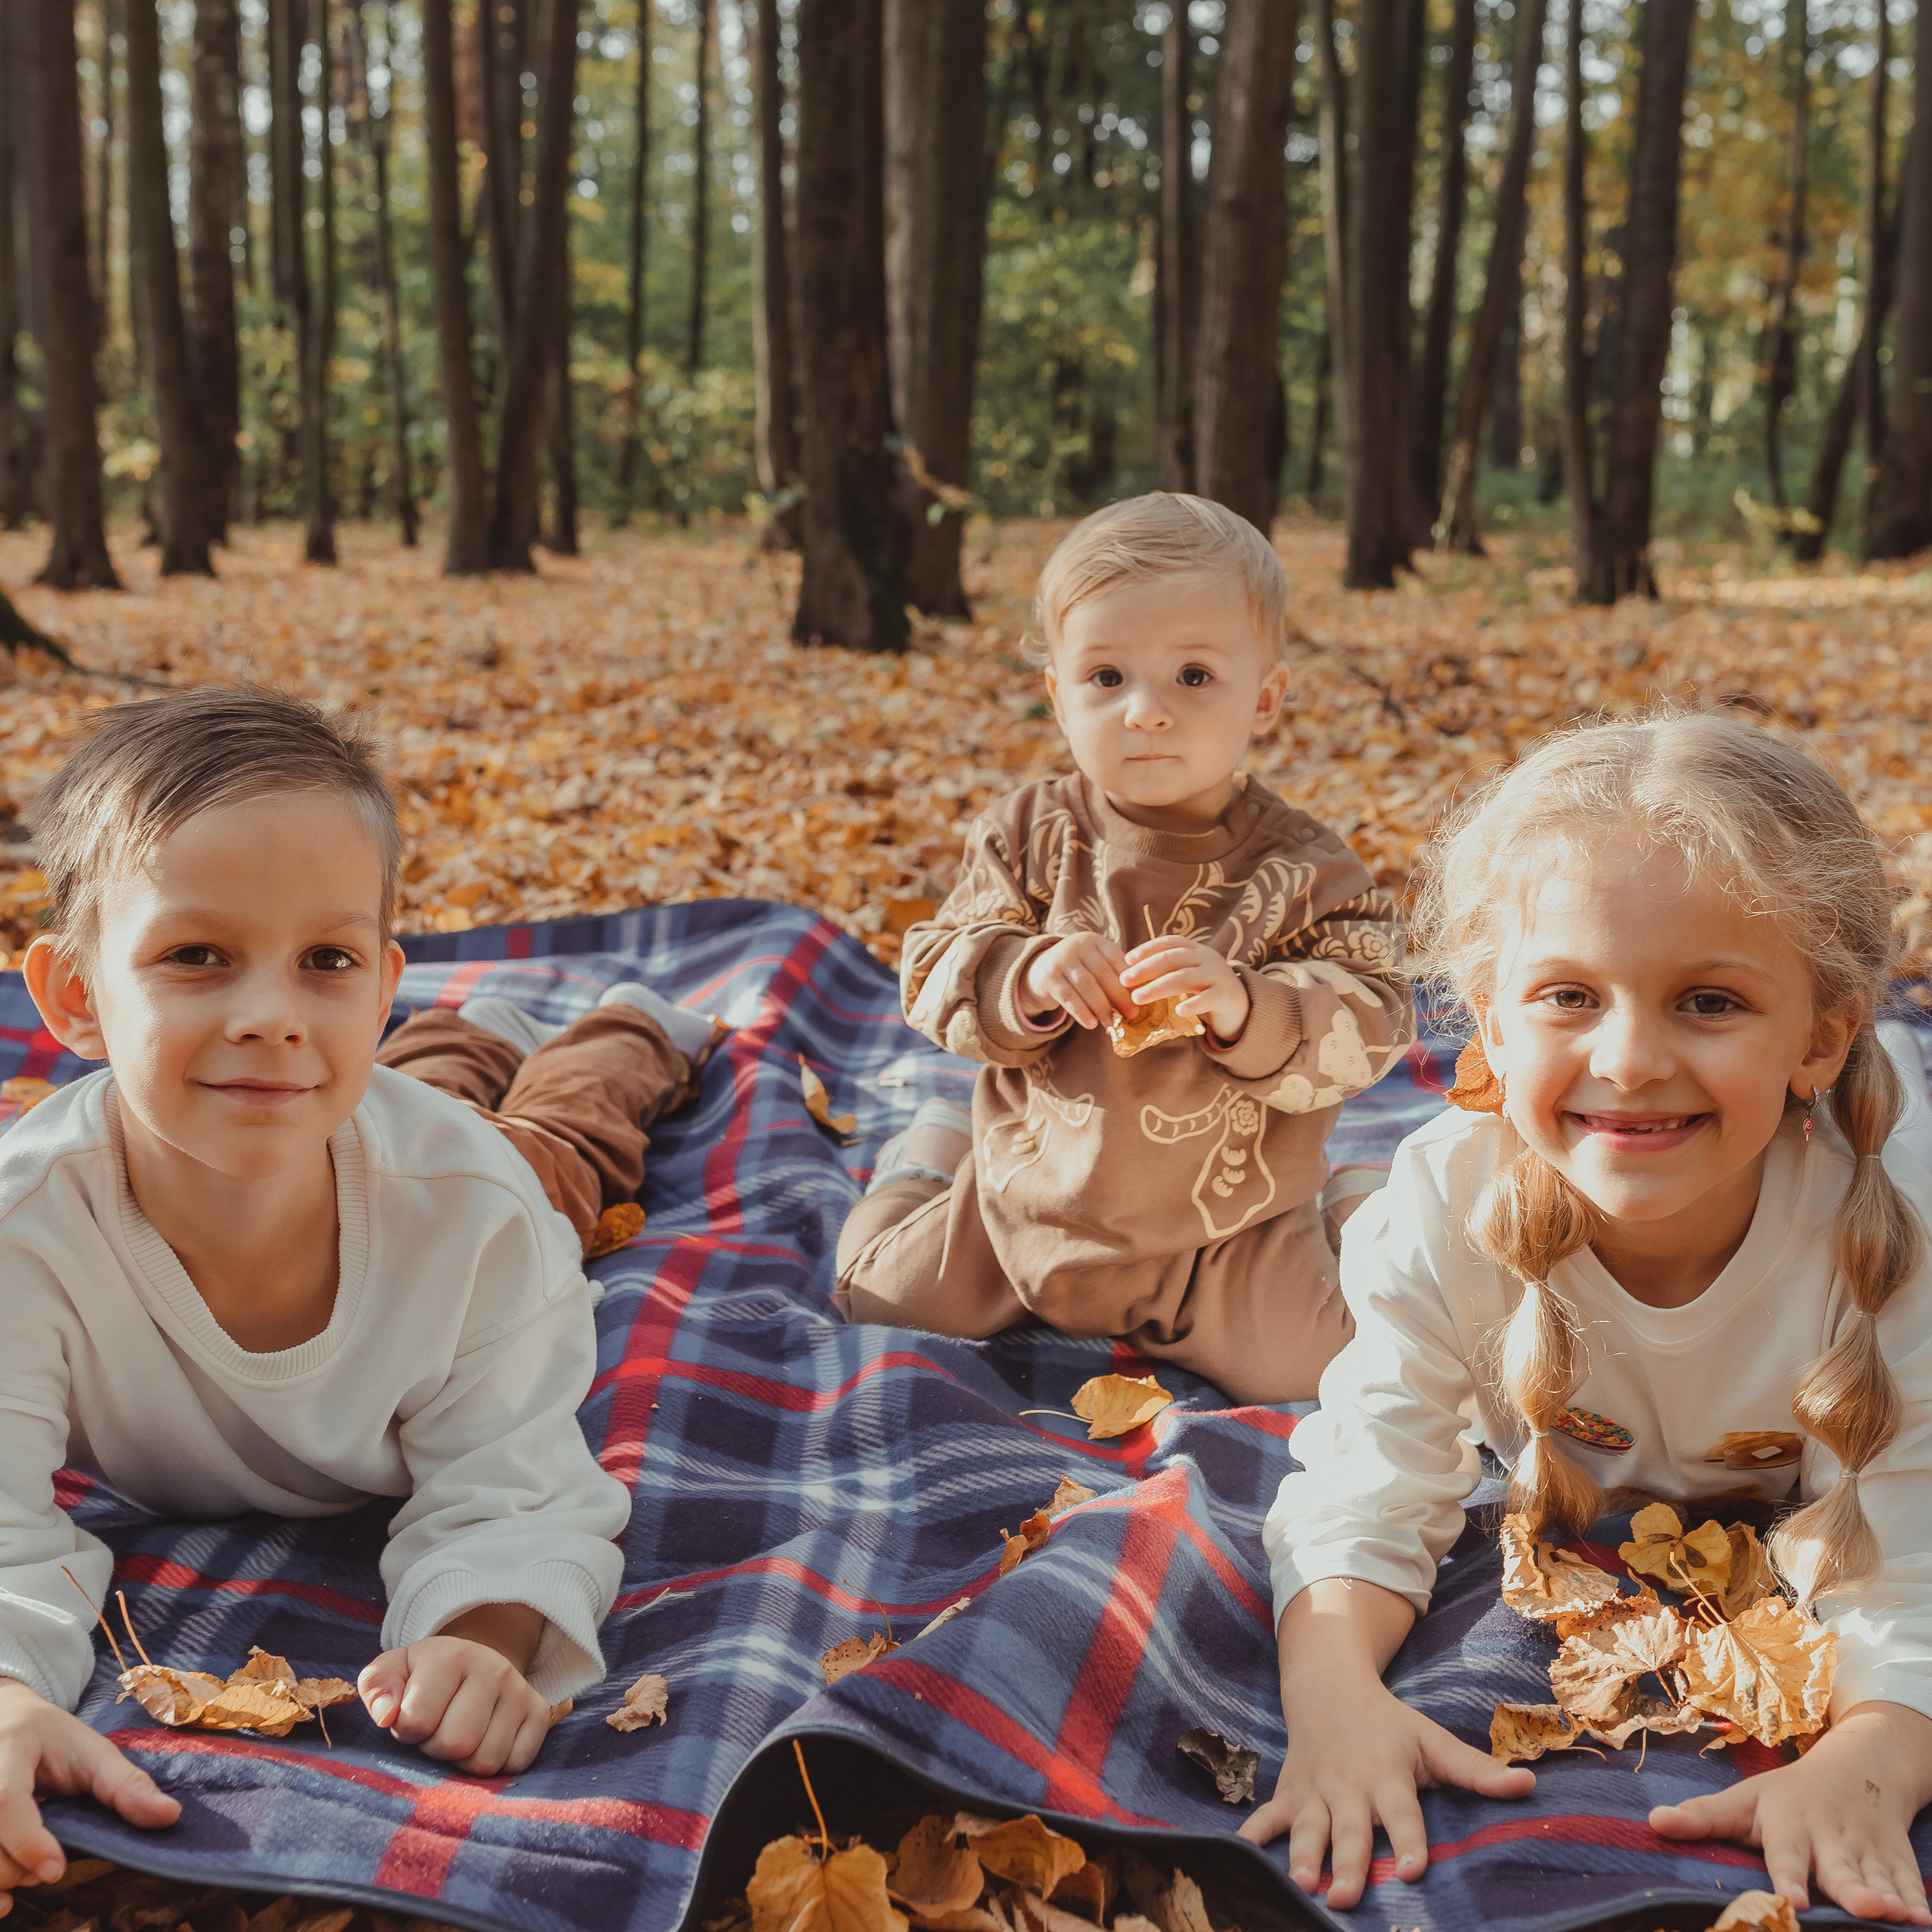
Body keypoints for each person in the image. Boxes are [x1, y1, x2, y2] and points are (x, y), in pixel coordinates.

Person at [1245, 710, 1932, 1926]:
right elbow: (1371, 1476)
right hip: (1436, 1228)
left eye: (1709, 1002)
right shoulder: (1450, 1205)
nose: (1629, 1059)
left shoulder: (1893, 1230)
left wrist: (1871, 1757)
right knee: (1379, 1228)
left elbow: (1916, 1546)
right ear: (1491, 1021)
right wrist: (1335, 1690)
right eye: (1569, 994)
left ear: (1820, 1038)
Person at [0, 688, 657, 1911]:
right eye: (197, 956)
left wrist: (485, 1628)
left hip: (476, 1169)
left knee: (568, 1140)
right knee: (417, 1086)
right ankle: (475, 1030)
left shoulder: (475, 1219)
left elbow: (513, 1477)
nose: (267, 1013)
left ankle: (627, 1030)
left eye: (328, 961)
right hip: (360, 1113)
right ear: (76, 996)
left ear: (378, 980)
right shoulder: (23, 1234)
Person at [835, 494, 1412, 1404]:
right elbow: (932, 964)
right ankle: (927, 1155)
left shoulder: (1303, 867)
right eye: (1107, 677)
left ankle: (1355, 1201)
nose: (1146, 711)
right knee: (870, 1294)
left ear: (1264, 698)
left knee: (1337, 1371)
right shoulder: (1027, 835)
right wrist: (1017, 974)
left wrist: (1246, 1006)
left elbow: (1377, 1011)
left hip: (1226, 1233)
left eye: (1192, 676)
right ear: (1057, 695)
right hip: (1025, 1205)